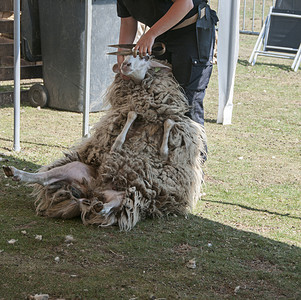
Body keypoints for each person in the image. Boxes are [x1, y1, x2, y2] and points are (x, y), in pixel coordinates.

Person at [116, 0, 218, 126]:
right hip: (160, 33)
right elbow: (127, 21)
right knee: (158, 101)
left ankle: (194, 144)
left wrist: (151, 35)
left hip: (190, 32)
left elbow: (185, 4)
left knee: (188, 104)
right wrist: (121, 53)